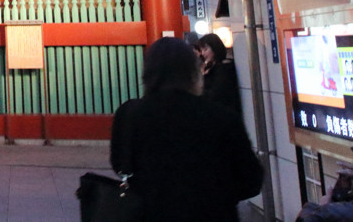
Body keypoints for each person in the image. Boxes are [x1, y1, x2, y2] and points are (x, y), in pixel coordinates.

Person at [110, 37, 263, 222]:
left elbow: (120, 164)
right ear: (193, 72)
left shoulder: (129, 114)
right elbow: (251, 179)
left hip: (150, 213)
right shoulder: (221, 117)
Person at [198, 32, 242, 116]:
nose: (203, 53)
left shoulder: (224, 68)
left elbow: (216, 94)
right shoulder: (210, 67)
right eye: (202, 50)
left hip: (224, 115)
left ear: (215, 48)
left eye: (205, 49)